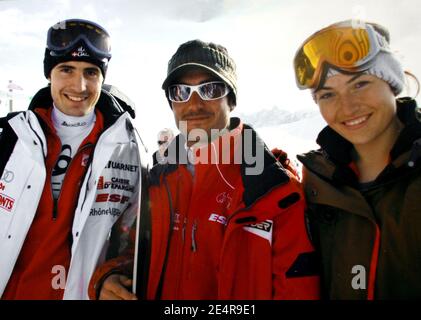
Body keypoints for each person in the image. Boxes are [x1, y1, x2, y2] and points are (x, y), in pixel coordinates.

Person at [89, 39, 320, 300]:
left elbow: (298, 291)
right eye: (180, 92)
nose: (194, 104)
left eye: (210, 90)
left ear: (230, 101)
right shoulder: (155, 182)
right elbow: (131, 255)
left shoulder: (273, 192)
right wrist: (109, 280)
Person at [0, 18, 147, 299]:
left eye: (91, 72)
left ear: (102, 78)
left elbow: (137, 239)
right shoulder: (10, 137)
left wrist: (112, 275)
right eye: (66, 69)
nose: (79, 85)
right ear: (49, 73)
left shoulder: (128, 149)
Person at [293, 19, 421, 299]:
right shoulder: (317, 182)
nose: (347, 107)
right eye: (328, 94)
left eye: (360, 84)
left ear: (391, 83)